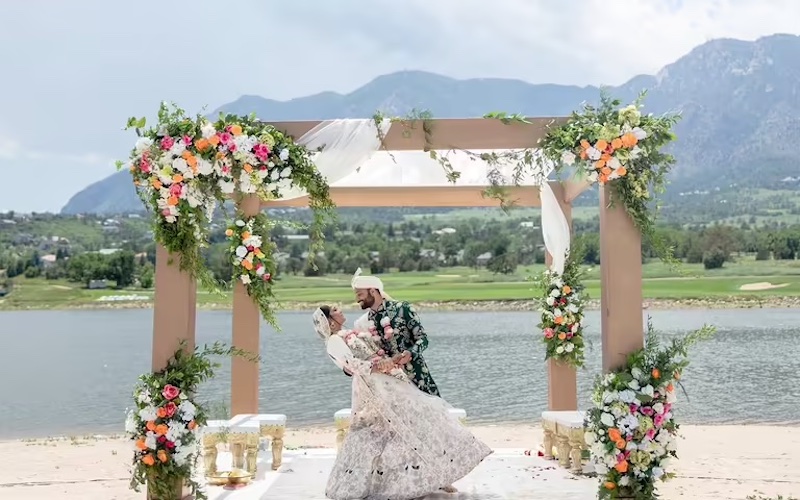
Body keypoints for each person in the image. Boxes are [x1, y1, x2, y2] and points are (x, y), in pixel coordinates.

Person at [314, 305, 492, 500]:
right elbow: (353, 365)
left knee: (418, 420)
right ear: (330, 321)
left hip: (389, 380)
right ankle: (378, 482)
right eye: (335, 309)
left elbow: (373, 351)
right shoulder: (333, 341)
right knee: (379, 433)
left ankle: (439, 474)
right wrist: (380, 365)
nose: (340, 310)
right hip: (373, 386)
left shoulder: (351, 332)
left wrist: (389, 362)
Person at [350, 268, 440, 396]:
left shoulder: (402, 308)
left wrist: (410, 353)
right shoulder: (364, 323)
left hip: (416, 374)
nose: (357, 299)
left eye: (360, 294)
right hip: (390, 383)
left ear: (372, 291)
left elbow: (423, 339)